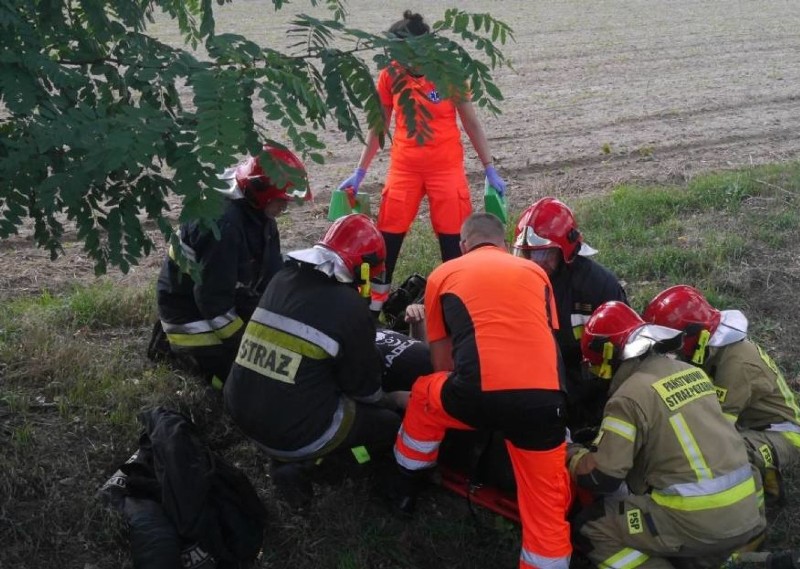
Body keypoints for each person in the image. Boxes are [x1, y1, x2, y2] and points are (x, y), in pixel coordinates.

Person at [392, 213, 572, 569]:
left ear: (461, 247)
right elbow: (550, 344)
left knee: (426, 390)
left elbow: (441, 364)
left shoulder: (443, 275)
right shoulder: (536, 274)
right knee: (546, 509)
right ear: (506, 244)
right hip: (545, 403)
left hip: (475, 396)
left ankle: (407, 482)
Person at [223, 214, 406, 505]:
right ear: (363, 268)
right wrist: (393, 399)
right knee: (387, 425)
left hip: (242, 412)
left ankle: (292, 455)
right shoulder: (350, 308)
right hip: (294, 432)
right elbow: (364, 391)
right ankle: (311, 469)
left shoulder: (281, 279)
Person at [569, 301, 766, 569]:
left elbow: (603, 475)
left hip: (696, 519)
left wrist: (571, 453)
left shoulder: (628, 396)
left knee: (592, 527)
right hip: (747, 511)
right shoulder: (692, 373)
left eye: (595, 367)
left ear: (607, 356)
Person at [336, 10, 507, 317]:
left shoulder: (448, 71)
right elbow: (379, 126)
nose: (394, 56)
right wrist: (359, 171)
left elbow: (471, 121)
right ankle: (372, 313)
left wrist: (489, 167)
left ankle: (457, 311)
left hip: (447, 171)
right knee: (385, 242)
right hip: (404, 170)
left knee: (455, 246)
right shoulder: (390, 74)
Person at [155, 145, 309, 388]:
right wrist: (244, 345)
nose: (285, 207)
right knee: (248, 378)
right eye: (281, 201)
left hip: (223, 295)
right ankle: (180, 353)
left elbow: (271, 273)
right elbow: (211, 299)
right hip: (191, 315)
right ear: (262, 192)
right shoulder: (224, 225)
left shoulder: (258, 212)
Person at [642, 285, 800, 504]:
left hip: (782, 435)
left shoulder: (736, 364)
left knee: (722, 452)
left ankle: (751, 512)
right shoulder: (714, 348)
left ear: (690, 334)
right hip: (748, 424)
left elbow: (719, 429)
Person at [512, 197, 627, 433]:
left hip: (589, 386)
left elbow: (622, 352)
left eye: (543, 255)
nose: (534, 263)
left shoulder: (598, 287)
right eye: (526, 254)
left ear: (567, 250)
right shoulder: (518, 283)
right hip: (540, 379)